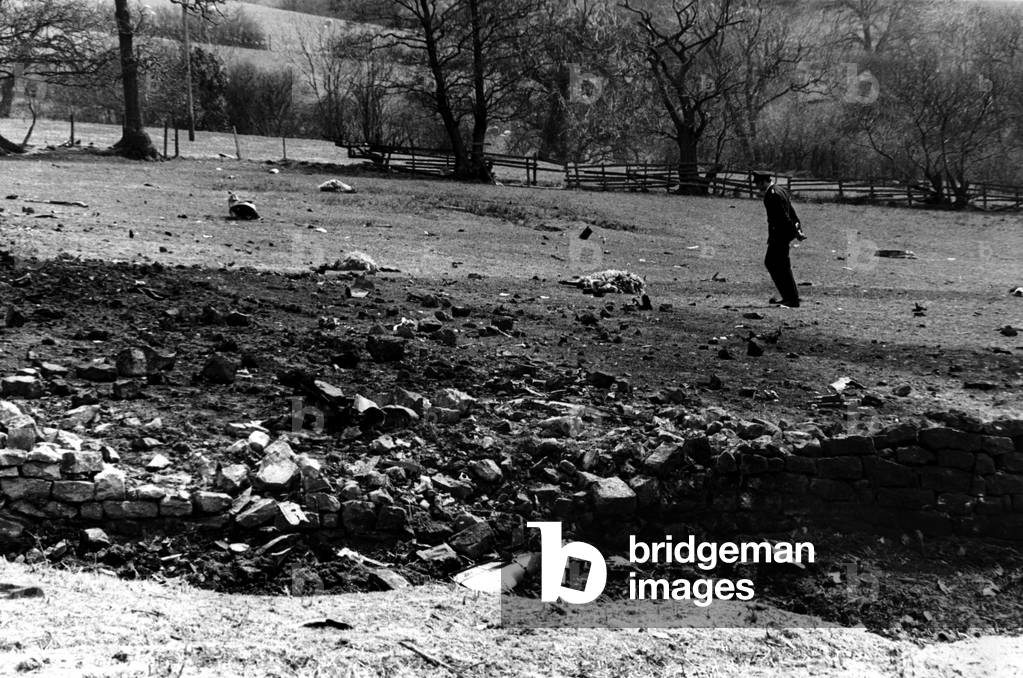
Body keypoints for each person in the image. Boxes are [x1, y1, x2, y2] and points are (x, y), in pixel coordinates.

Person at [752, 171, 806, 308]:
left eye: (758, 183)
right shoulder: (780, 190)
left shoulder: (772, 195)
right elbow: (792, 213)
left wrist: (794, 232)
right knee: (776, 264)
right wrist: (798, 230)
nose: (757, 187)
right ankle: (789, 297)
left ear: (763, 181)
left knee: (776, 264)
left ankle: (792, 299)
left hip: (780, 235)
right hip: (781, 234)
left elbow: (784, 217)